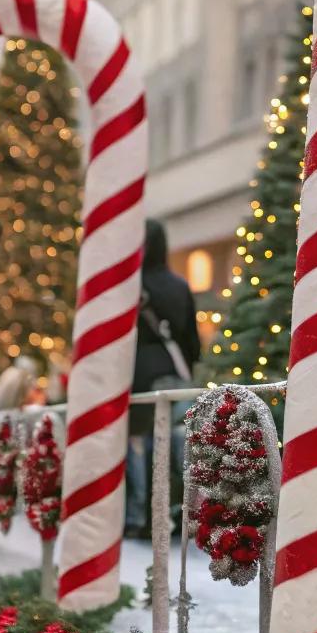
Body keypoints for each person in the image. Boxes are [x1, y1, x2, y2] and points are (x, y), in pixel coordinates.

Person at [125, 219, 202, 536]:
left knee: (139, 446)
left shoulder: (132, 285)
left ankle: (140, 516)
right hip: (175, 374)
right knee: (173, 445)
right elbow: (193, 343)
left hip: (139, 376)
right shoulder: (179, 285)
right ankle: (176, 512)